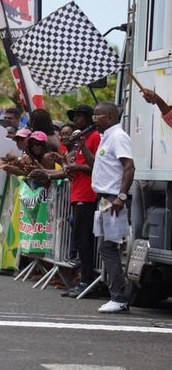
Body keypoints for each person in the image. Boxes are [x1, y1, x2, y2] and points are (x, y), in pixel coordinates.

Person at [79, 102, 134, 313]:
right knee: (106, 247)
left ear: (110, 117)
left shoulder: (118, 136)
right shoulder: (106, 137)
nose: (94, 119)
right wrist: (83, 145)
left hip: (113, 199)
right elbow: (97, 165)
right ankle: (117, 297)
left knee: (108, 246)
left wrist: (121, 196)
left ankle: (119, 298)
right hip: (105, 199)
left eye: (97, 115)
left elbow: (129, 167)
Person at [62, 105, 100, 298]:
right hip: (77, 194)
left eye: (79, 116)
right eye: (74, 116)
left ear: (88, 118)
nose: (75, 120)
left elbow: (95, 166)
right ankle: (84, 280)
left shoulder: (93, 137)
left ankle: (87, 281)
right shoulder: (80, 141)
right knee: (79, 239)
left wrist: (77, 164)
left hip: (87, 195)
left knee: (84, 241)